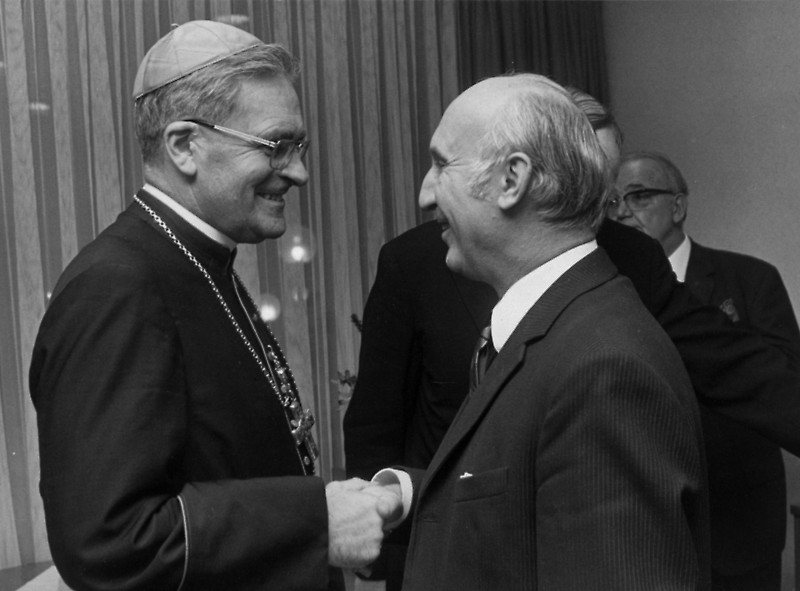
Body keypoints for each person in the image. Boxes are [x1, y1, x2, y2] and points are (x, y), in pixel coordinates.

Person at [344, 86, 800, 590]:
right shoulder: (418, 262)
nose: (426, 193)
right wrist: (392, 511)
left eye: (601, 185)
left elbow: (735, 368)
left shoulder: (614, 330)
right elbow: (387, 423)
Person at [29, 20, 399, 591]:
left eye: (299, 147)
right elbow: (109, 542)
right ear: (184, 145)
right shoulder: (116, 287)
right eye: (276, 145)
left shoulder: (200, 263)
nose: (298, 172)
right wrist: (315, 518)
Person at [610, 151, 800, 590]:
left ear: (678, 206)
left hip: (740, 523)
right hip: (649, 526)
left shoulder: (750, 277)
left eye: (639, 196)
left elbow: (784, 381)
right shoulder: (612, 290)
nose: (622, 212)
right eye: (613, 201)